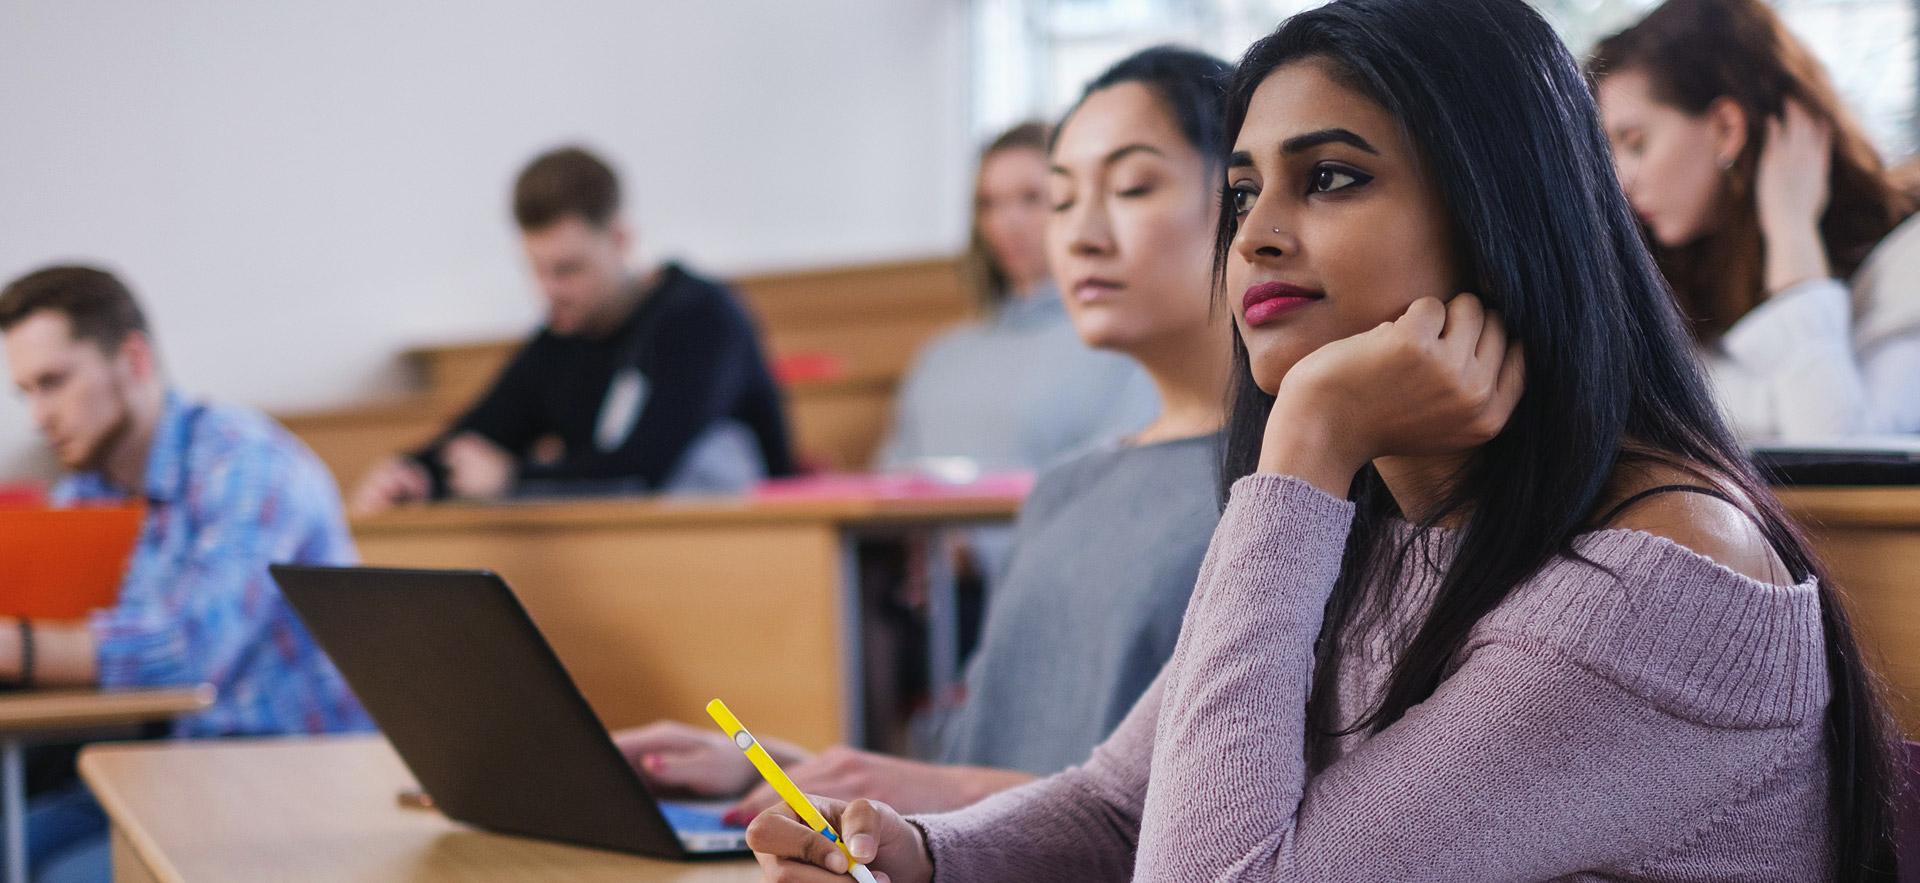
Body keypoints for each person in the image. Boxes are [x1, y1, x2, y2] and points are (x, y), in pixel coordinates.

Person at [744, 1, 1903, 880]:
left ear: (1502, 213)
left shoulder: (1663, 577)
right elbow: (1116, 802)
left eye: (1332, 179)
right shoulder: (1395, 512)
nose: (1255, 238)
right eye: (1245, 191)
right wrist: (928, 855)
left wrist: (1304, 445)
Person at [613, 46, 1235, 823]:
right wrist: (772, 770)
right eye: (1065, 200)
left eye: (1134, 186)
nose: (1077, 235)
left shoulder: (1283, 490)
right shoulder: (1065, 489)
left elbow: (1205, 821)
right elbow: (969, 778)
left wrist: (955, 796)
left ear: (1245, 202)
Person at [0, 265, 373, 881]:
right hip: (162, 767)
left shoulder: (245, 464)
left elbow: (190, 652)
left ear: (133, 360)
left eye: (54, 383)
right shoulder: (86, 492)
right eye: (27, 392)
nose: (39, 415)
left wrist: (16, 645)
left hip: (293, 782)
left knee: (60, 874)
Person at [351, 146, 794, 513]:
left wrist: (512, 477)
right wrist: (414, 473)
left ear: (620, 240)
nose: (550, 291)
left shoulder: (701, 319)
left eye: (568, 270)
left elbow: (642, 471)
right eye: (537, 270)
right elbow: (484, 431)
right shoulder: (562, 338)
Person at [1591, 0, 1920, 441]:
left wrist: (1791, 234)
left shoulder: (1906, 258)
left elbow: (1839, 451)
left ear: (1726, 128)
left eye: (1636, 144)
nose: (1619, 182)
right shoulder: (1681, 277)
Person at [876, 120, 1157, 475]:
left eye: (1031, 198)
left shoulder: (1122, 348)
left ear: (1077, 202)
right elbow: (891, 480)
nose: (1007, 222)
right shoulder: (939, 358)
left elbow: (1116, 479)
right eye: (988, 204)